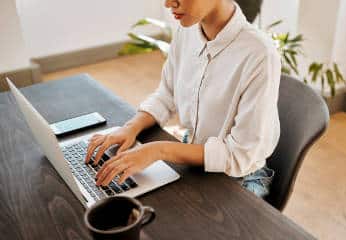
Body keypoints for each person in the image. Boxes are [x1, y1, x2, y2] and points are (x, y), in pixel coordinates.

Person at [85, 0, 281, 198]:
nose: (168, 3)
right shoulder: (187, 31)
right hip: (192, 156)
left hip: (240, 178)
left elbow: (239, 156)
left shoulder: (259, 53)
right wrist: (130, 127)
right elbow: (167, 93)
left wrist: (158, 151)